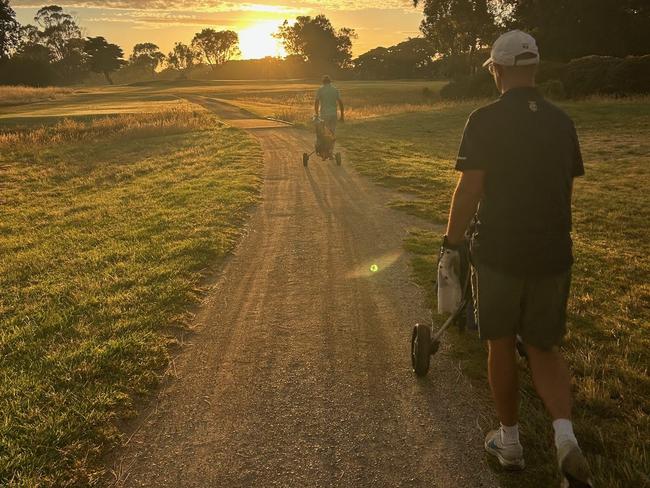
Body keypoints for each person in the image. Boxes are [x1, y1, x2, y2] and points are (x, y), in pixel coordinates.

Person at [439, 30, 594, 487]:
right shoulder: (562, 121)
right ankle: (565, 439)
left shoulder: (483, 119)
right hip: (552, 251)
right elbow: (564, 190)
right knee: (544, 347)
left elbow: (471, 188)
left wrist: (451, 241)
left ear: (498, 71)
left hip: (501, 250)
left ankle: (509, 443)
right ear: (535, 69)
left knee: (501, 343)